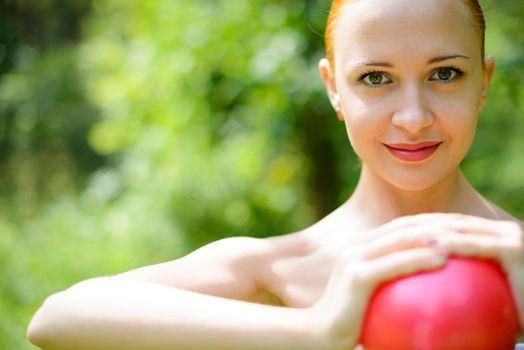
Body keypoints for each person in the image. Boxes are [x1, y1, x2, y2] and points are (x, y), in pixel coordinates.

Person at [27, 0, 524, 349]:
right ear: (333, 89)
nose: (413, 117)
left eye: (445, 74)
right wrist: (317, 330)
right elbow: (58, 318)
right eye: (375, 79)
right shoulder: (279, 270)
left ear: (483, 82)